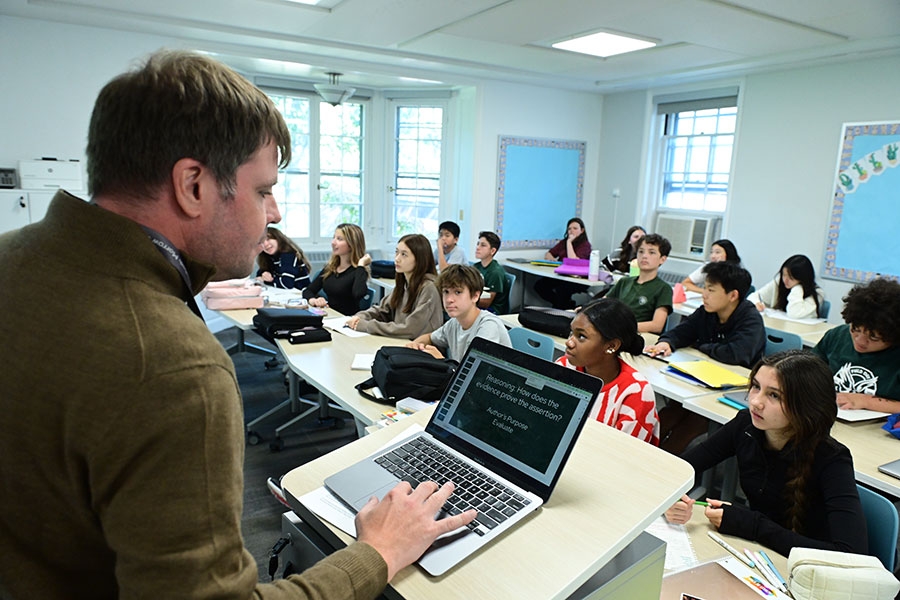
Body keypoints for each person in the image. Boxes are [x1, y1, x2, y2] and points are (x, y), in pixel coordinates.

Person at [0, 51, 475, 600]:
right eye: (262, 190)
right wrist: (378, 554)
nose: (272, 212)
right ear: (193, 185)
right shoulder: (172, 364)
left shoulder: (13, 261)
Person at [664, 350, 868, 558]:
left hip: (808, 571)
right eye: (755, 387)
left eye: (774, 395)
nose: (755, 402)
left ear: (806, 405)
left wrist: (753, 526)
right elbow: (679, 468)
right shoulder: (746, 425)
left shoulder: (832, 460)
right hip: (758, 552)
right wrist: (672, 500)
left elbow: (851, 554)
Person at [555, 298, 660, 445]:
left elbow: (624, 453)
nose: (569, 342)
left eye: (581, 336)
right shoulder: (564, 366)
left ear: (611, 345)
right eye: (571, 333)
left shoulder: (636, 392)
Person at [646, 261, 765, 368]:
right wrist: (666, 342)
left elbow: (735, 355)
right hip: (709, 369)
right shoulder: (706, 311)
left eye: (711, 290)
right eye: (704, 288)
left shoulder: (751, 319)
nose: (704, 294)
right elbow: (682, 332)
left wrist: (701, 346)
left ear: (733, 295)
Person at [813, 278, 900, 413]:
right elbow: (807, 374)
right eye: (855, 329)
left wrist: (867, 401)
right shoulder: (837, 337)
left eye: (873, 337)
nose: (860, 340)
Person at [407, 264, 511, 361]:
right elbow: (430, 337)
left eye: (458, 292)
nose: (449, 299)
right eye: (446, 292)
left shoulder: (488, 326)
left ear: (475, 296)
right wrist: (416, 345)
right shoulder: (454, 322)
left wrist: (441, 360)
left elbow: (474, 373)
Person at [347, 233, 443, 339]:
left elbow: (410, 330)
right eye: (396, 252)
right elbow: (382, 311)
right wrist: (360, 317)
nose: (397, 259)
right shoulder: (404, 284)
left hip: (421, 349)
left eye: (404, 254)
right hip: (401, 344)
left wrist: (368, 326)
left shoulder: (428, 288)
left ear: (419, 259)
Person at [606, 233, 673, 333]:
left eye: (651, 252)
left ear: (662, 259)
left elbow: (657, 326)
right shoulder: (624, 281)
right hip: (615, 331)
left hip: (638, 335)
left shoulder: (663, 288)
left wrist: (622, 327)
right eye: (641, 251)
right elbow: (602, 304)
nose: (644, 256)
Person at [303, 223, 371, 316]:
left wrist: (361, 265)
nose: (333, 242)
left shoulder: (358, 271)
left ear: (352, 244)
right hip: (330, 316)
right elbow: (308, 291)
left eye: (339, 239)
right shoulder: (330, 268)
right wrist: (314, 300)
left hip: (346, 321)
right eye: (334, 237)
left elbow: (358, 294)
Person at [536, 217, 593, 308]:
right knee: (540, 286)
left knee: (562, 290)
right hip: (562, 275)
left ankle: (561, 306)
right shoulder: (563, 242)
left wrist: (569, 242)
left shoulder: (585, 245)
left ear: (582, 230)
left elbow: (573, 260)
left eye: (575, 228)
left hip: (578, 279)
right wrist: (551, 258)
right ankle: (564, 305)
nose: (571, 231)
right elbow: (549, 253)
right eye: (569, 229)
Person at [747, 254, 824, 319]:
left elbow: (794, 313)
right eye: (784, 275)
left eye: (791, 277)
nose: (785, 280)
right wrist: (756, 303)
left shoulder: (817, 294)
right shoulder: (778, 283)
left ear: (802, 278)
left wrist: (798, 288)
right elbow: (754, 296)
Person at [473, 230, 510, 314]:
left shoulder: (495, 272)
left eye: (483, 245)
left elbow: (487, 303)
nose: (478, 247)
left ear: (492, 251)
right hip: (478, 304)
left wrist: (467, 300)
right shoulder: (476, 267)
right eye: (478, 244)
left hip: (493, 310)